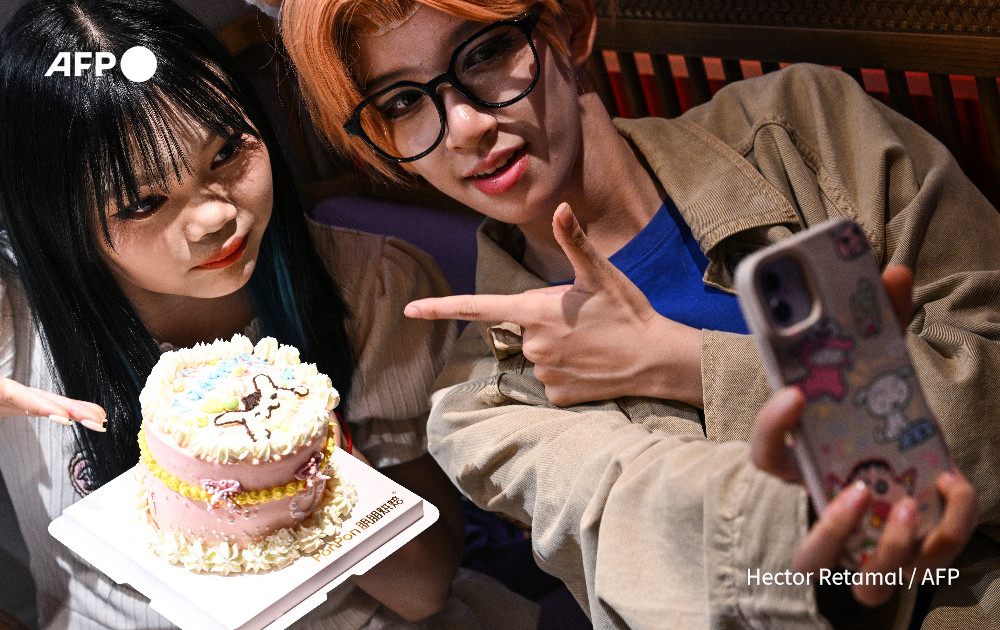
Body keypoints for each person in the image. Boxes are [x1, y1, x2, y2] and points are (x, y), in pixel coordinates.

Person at [278, 0, 996, 626]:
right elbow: (659, 531)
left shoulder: (803, 128)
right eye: (402, 103)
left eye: (487, 51)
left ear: (568, 24)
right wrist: (824, 521)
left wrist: (680, 359)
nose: (462, 124)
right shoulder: (479, 403)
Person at [0, 1, 538, 628]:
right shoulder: (15, 315)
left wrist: (300, 460)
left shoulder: (371, 285)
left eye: (226, 152)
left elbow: (422, 590)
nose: (216, 217)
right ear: (57, 221)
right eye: (144, 201)